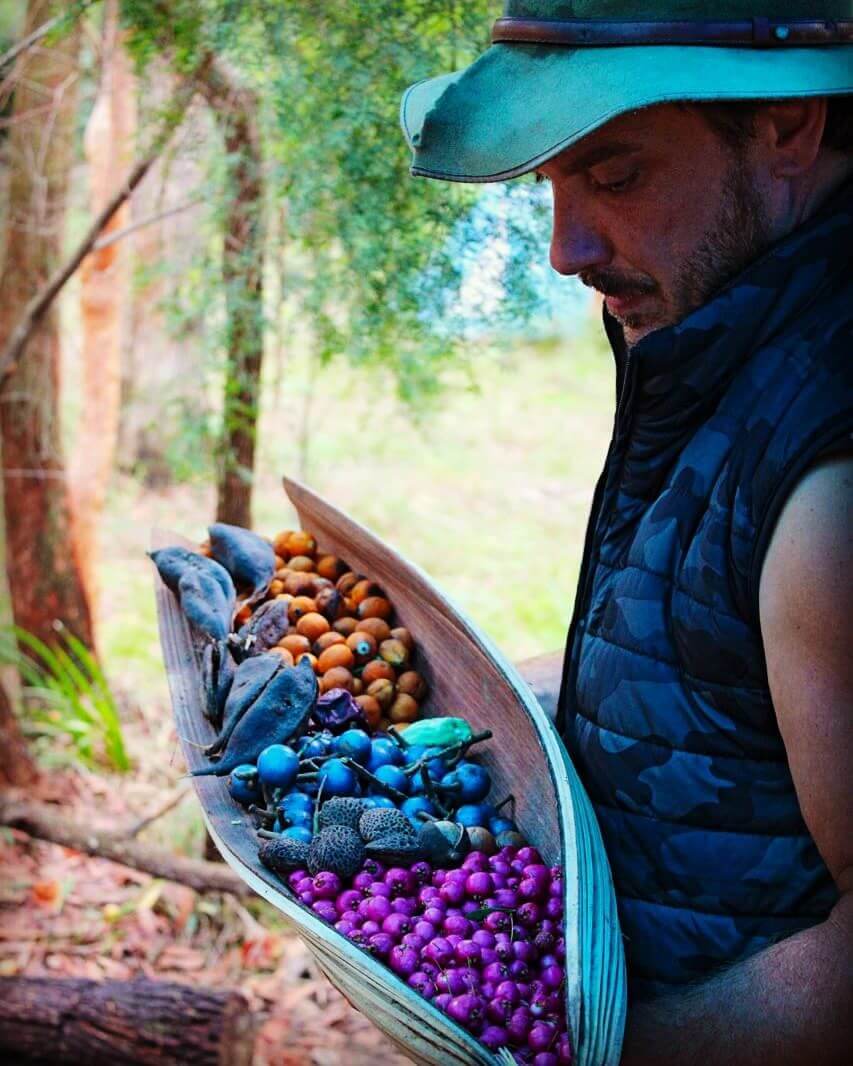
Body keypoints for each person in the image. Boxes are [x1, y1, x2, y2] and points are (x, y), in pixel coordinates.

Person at [401, 4, 852, 1064]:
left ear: (787, 123)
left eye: (614, 176)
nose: (566, 251)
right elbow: (703, 673)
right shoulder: (720, 330)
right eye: (550, 185)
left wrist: (598, 1054)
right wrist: (447, 710)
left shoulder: (827, 481)